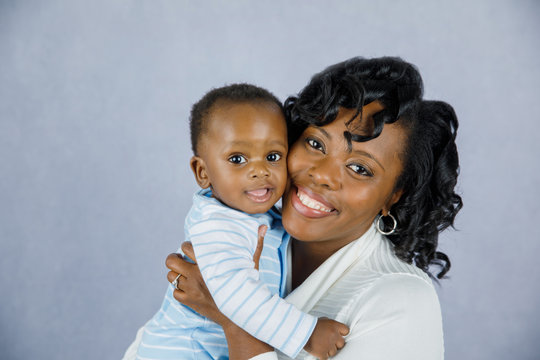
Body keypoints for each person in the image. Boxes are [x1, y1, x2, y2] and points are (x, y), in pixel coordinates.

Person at [159, 57, 463, 360]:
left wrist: (233, 319)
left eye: (359, 168)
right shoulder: (254, 230)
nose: (322, 175)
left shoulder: (401, 303)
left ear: (393, 196)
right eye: (316, 144)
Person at [131, 84, 348, 360]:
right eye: (237, 159)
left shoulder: (263, 217)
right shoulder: (219, 225)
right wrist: (307, 333)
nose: (259, 170)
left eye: (272, 157)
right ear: (203, 172)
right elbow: (237, 296)